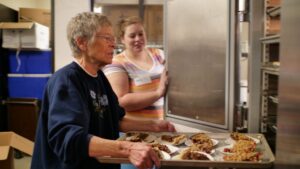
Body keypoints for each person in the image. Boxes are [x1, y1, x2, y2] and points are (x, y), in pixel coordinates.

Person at [30, 12, 175, 169]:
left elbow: (116, 121)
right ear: (82, 42)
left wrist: (153, 126)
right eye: (107, 38)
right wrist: (128, 148)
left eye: (113, 39)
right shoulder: (66, 80)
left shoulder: (99, 77)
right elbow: (69, 139)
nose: (113, 44)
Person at [103, 16, 167, 121]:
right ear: (122, 39)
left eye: (141, 34)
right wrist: (158, 93)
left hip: (162, 125)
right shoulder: (117, 63)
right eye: (132, 36)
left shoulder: (158, 54)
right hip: (136, 130)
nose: (138, 39)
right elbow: (121, 102)